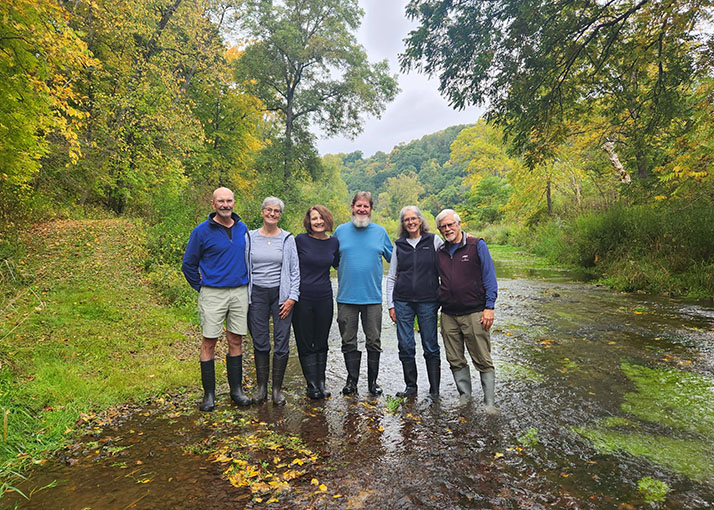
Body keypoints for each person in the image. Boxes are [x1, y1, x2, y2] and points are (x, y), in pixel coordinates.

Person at [181, 187, 251, 412]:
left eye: (229, 200)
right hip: (212, 293)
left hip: (239, 291)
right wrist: (201, 287)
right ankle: (209, 394)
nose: (225, 205)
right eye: (221, 201)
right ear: (212, 204)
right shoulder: (201, 231)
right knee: (209, 341)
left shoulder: (243, 229)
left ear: (234, 202)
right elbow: (188, 264)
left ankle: (236, 390)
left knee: (236, 340)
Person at [435, 209, 498, 411]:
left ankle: (489, 403)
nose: (447, 229)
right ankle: (465, 397)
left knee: (482, 358)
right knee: (454, 358)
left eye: (450, 224)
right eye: (443, 227)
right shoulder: (440, 252)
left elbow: (489, 277)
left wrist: (489, 307)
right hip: (448, 314)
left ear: (459, 223)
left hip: (475, 312)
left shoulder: (476, 245)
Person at [333, 192, 393, 396]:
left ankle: (373, 382)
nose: (362, 210)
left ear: (371, 209)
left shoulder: (380, 232)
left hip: (372, 298)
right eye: (358, 206)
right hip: (346, 297)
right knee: (348, 340)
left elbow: (396, 259)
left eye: (366, 206)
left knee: (374, 340)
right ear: (352, 207)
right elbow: (329, 257)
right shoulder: (340, 232)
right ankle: (352, 381)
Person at [386, 205, 443, 400]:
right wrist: (390, 304)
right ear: (403, 223)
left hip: (428, 301)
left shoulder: (433, 241)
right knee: (405, 344)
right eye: (406, 220)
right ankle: (411, 386)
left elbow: (446, 268)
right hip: (402, 301)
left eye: (413, 218)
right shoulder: (399, 245)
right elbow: (391, 276)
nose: (410, 222)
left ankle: (434, 390)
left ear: (420, 220)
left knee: (430, 344)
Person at [248, 196, 300, 406]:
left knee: (281, 341)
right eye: (268, 210)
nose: (272, 214)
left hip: (281, 296)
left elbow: (295, 271)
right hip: (257, 295)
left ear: (280, 215)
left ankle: (277, 390)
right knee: (260, 341)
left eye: (276, 211)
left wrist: (292, 298)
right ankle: (261, 389)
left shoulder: (288, 239)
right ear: (262, 212)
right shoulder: (249, 237)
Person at [292, 205, 340, 399]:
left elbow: (339, 264)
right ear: (308, 222)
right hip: (302, 297)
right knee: (305, 341)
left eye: (321, 218)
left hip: (324, 297)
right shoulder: (300, 240)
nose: (318, 222)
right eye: (314, 218)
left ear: (327, 220)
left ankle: (321, 383)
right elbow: (290, 267)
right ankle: (311, 385)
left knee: (321, 340)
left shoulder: (334, 242)